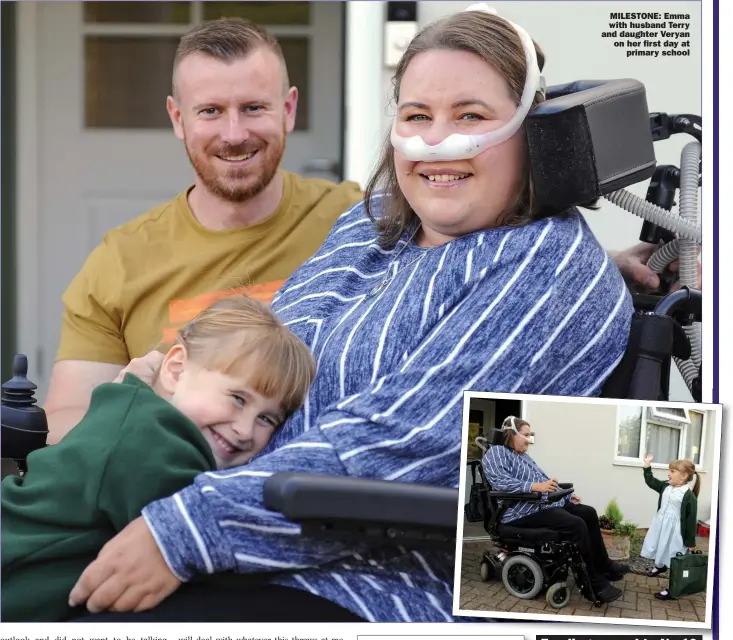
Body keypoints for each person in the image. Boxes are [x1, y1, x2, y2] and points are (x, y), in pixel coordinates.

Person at [64, 7, 637, 622]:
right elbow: (268, 359)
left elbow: (404, 447)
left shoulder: (550, 269)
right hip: (233, 535)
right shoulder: (372, 223)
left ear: (534, 129)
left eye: (471, 115)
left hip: (365, 586)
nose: (438, 141)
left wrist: (183, 530)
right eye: (418, 116)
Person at [44, 17, 363, 444]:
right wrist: (135, 414)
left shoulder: (357, 219)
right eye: (210, 111)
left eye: (254, 108)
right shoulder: (119, 262)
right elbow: (65, 417)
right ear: (178, 118)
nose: (234, 134)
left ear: (288, 109)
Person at [1, 295, 316, 622]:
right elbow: (210, 557)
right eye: (238, 398)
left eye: (267, 419)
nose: (245, 429)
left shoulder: (133, 412)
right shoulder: (154, 447)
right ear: (176, 369)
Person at [482, 417, 629, 604]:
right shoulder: (496, 453)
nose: (529, 440)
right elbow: (501, 483)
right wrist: (536, 486)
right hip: (518, 511)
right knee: (575, 524)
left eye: (530, 435)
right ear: (512, 433)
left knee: (588, 513)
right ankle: (593, 584)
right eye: (526, 435)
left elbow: (544, 481)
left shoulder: (523, 457)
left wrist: (565, 495)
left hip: (539, 504)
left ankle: (604, 566)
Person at [640, 453, 700, 600]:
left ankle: (672, 589)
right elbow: (651, 482)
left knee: (674, 559)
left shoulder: (688, 496)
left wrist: (690, 543)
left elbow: (691, 520)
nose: (669, 473)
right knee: (660, 546)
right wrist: (647, 467)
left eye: (673, 471)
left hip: (676, 532)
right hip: (661, 525)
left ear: (684, 476)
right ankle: (660, 565)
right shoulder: (665, 486)